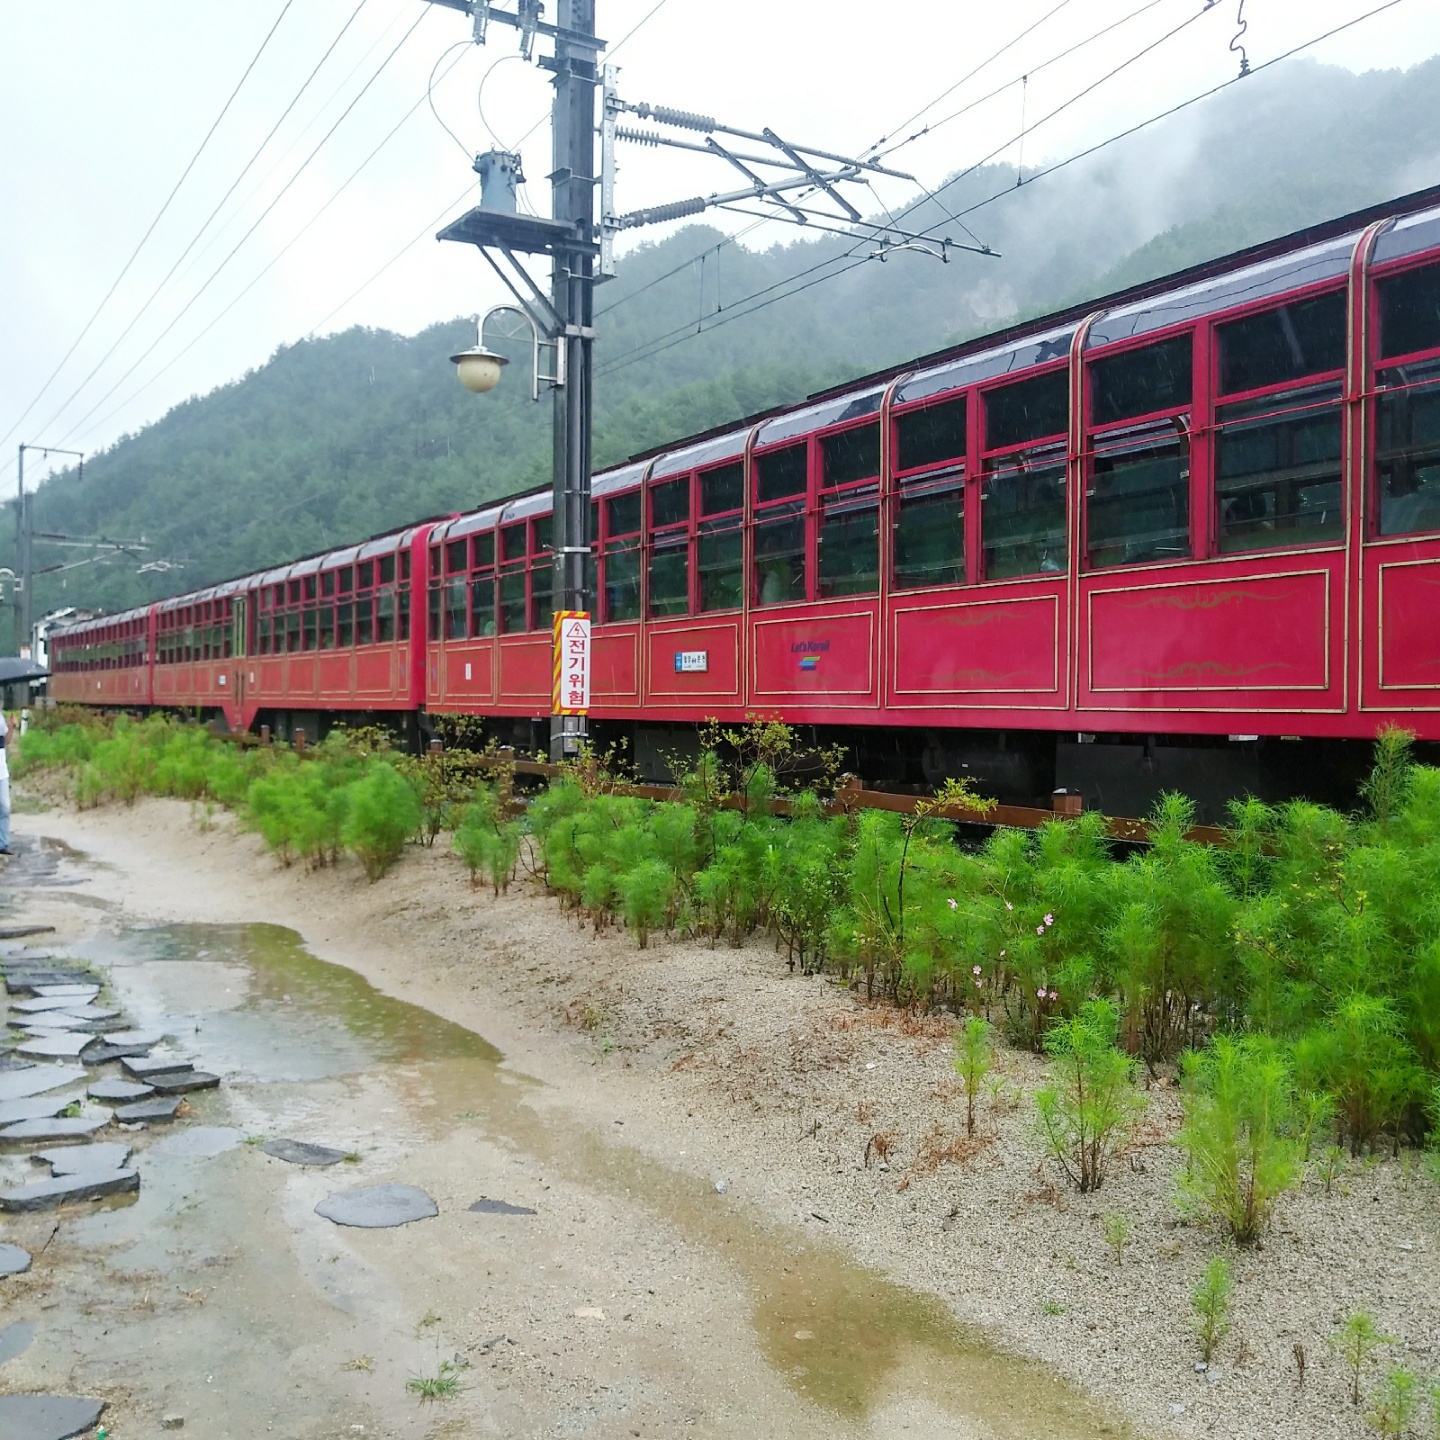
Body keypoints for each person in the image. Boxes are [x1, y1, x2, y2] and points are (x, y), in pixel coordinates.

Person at [0, 709, 11, 856]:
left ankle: (3, 844)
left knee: (4, 807)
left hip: (2, 771)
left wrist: (11, 727)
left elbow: (6, 741)